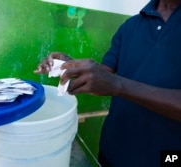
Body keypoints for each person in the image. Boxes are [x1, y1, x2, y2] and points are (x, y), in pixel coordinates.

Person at [34, 0, 181, 166]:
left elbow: (113, 82)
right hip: (113, 152)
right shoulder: (130, 26)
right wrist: (69, 65)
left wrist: (117, 85)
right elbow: (104, 75)